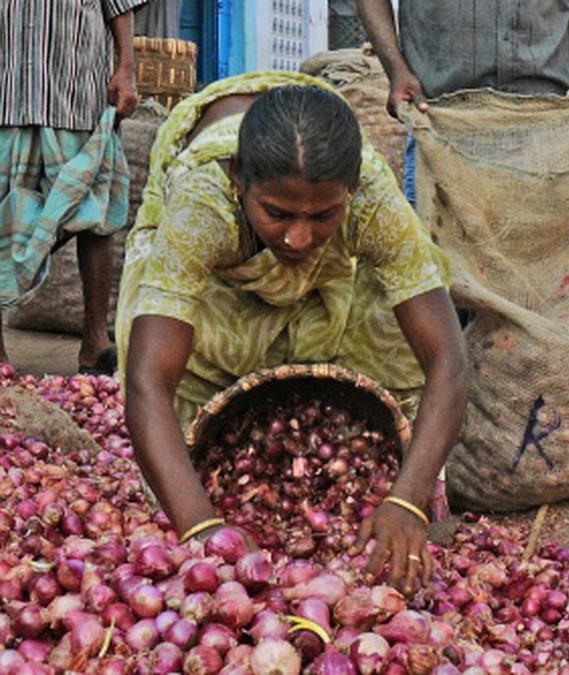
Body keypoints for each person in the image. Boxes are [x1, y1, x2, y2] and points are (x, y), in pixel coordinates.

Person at [117, 72, 468, 595]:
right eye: (277, 213)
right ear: (239, 181)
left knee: (393, 336)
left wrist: (406, 497)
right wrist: (204, 528)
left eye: (324, 215)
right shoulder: (203, 205)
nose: (299, 237)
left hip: (308, 182)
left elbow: (447, 359)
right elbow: (148, 379)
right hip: (213, 217)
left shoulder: (373, 200)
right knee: (177, 374)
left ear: (351, 191)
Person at [0, 0, 144, 374]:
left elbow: (120, 5)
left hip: (75, 93)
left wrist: (126, 69)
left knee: (94, 213)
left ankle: (95, 341)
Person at [356, 0, 569, 206]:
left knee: (544, 252)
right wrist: (396, 70)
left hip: (547, 123)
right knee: (441, 256)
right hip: (444, 121)